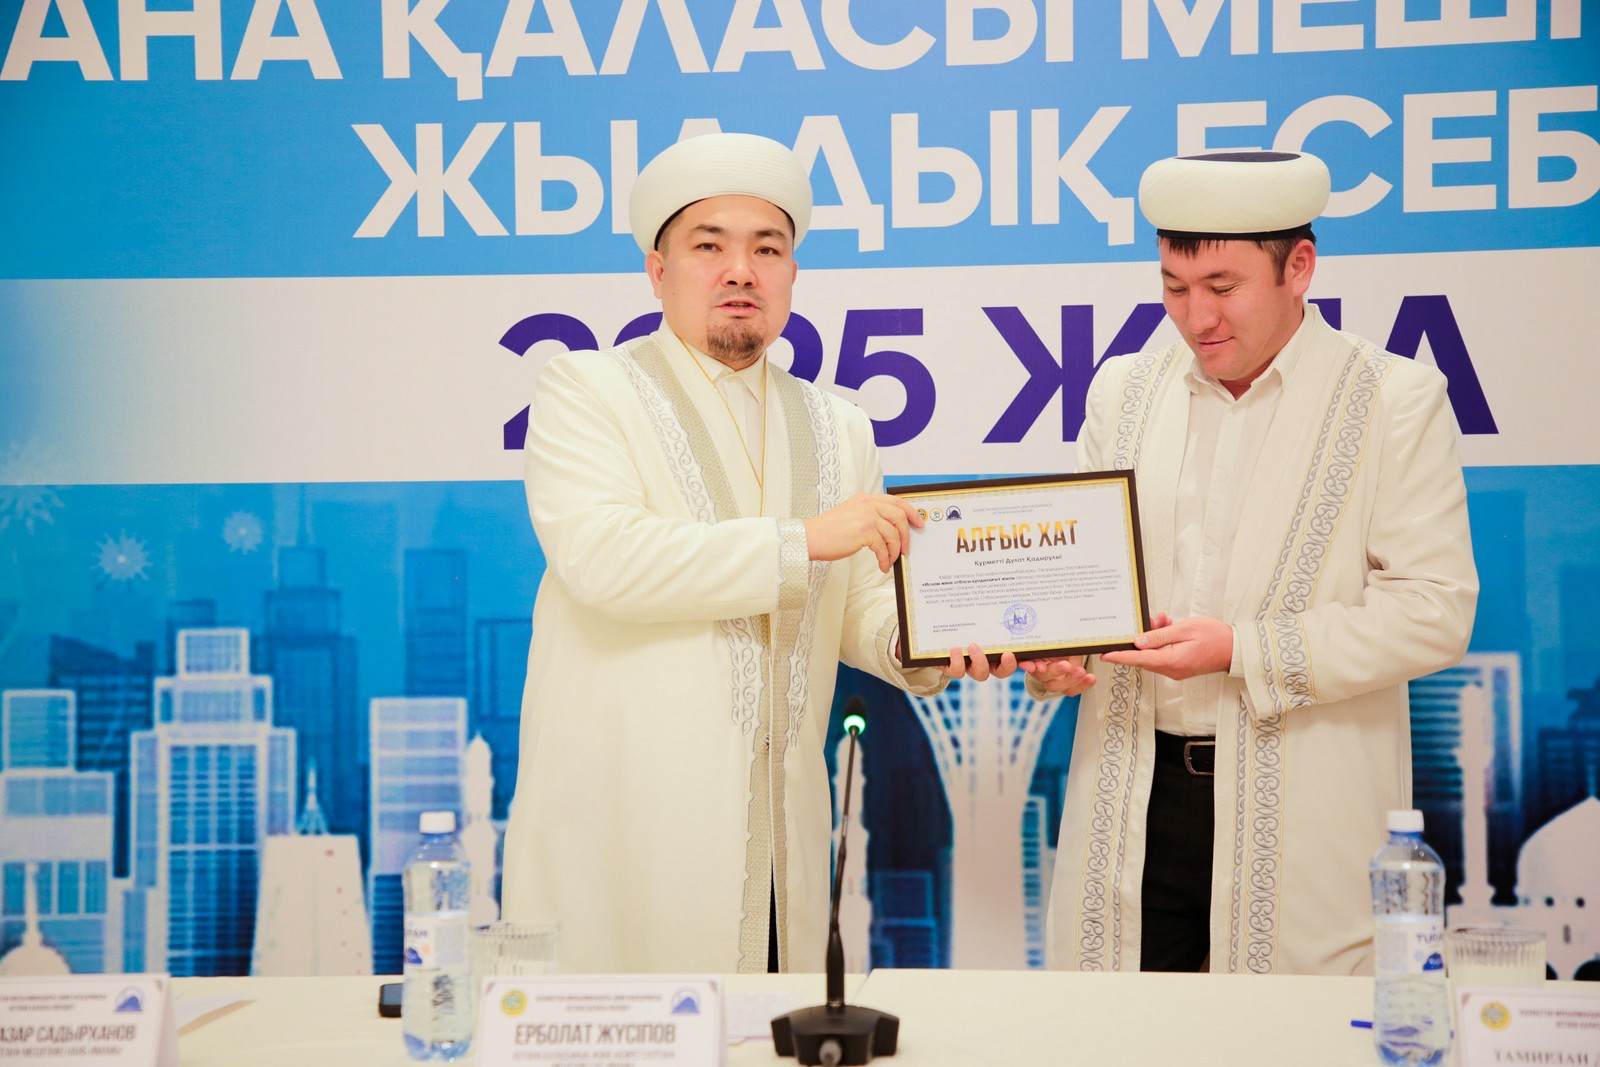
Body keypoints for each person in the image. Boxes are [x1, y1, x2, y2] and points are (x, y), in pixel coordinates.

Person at [500, 132, 1011, 975]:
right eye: (710, 246)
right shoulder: (588, 390)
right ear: (657, 270)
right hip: (625, 826)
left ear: (791, 273)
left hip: (781, 835)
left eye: (767, 249)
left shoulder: (840, 425)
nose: (741, 270)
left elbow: (858, 606)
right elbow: (603, 557)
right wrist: (803, 540)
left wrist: (934, 642)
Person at [1032, 150, 1478, 975]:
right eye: (1174, 286)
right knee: (1118, 1026)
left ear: (1298, 267)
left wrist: (1240, 648)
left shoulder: (1393, 399)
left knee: (1290, 1030)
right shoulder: (1122, 391)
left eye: (1222, 286)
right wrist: (1062, 652)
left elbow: (1435, 611)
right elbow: (1090, 583)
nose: (1196, 316)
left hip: (1303, 805)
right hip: (1132, 794)